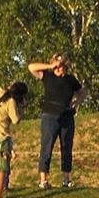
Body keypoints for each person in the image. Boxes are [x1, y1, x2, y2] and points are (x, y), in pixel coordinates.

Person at [28, 52, 86, 189]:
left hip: (66, 116)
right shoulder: (47, 76)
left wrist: (76, 102)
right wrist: (50, 65)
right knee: (47, 147)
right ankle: (43, 179)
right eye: (57, 65)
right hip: (49, 116)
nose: (59, 68)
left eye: (61, 65)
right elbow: (31, 67)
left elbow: (83, 91)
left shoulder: (71, 80)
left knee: (66, 147)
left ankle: (66, 179)